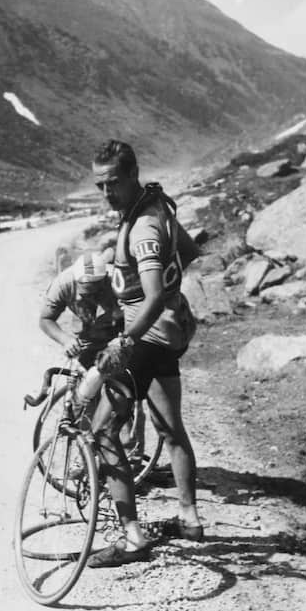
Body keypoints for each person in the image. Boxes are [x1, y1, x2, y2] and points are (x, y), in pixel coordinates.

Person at [87, 139, 202, 569]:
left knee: (102, 429)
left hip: (146, 339)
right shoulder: (156, 208)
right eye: (99, 185)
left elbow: (152, 294)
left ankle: (132, 537)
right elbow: (188, 252)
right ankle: (190, 520)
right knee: (171, 429)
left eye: (113, 183)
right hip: (166, 336)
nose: (106, 193)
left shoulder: (142, 228)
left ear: (133, 175)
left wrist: (124, 339)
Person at [39, 250, 122, 368]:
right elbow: (45, 319)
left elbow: (140, 312)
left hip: (117, 334)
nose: (92, 298)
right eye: (86, 294)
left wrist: (124, 338)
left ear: (104, 280)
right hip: (87, 336)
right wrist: (65, 340)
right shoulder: (63, 284)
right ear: (76, 282)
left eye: (96, 293)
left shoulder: (118, 279)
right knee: (80, 375)